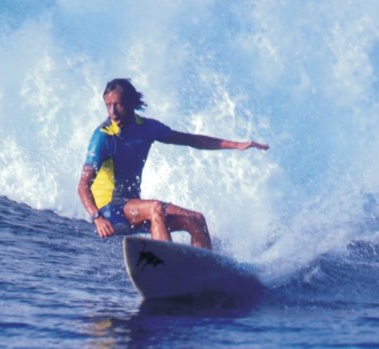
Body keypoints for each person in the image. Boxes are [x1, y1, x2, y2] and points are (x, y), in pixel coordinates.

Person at [77, 79, 269, 250]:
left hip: (134, 207)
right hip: (110, 209)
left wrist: (236, 145)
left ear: (130, 103)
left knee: (196, 219)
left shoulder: (147, 128)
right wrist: (97, 218)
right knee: (155, 208)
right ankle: (165, 269)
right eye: (108, 105)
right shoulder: (103, 137)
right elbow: (83, 186)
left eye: (118, 105)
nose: (112, 112)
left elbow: (190, 140)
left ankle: (204, 273)